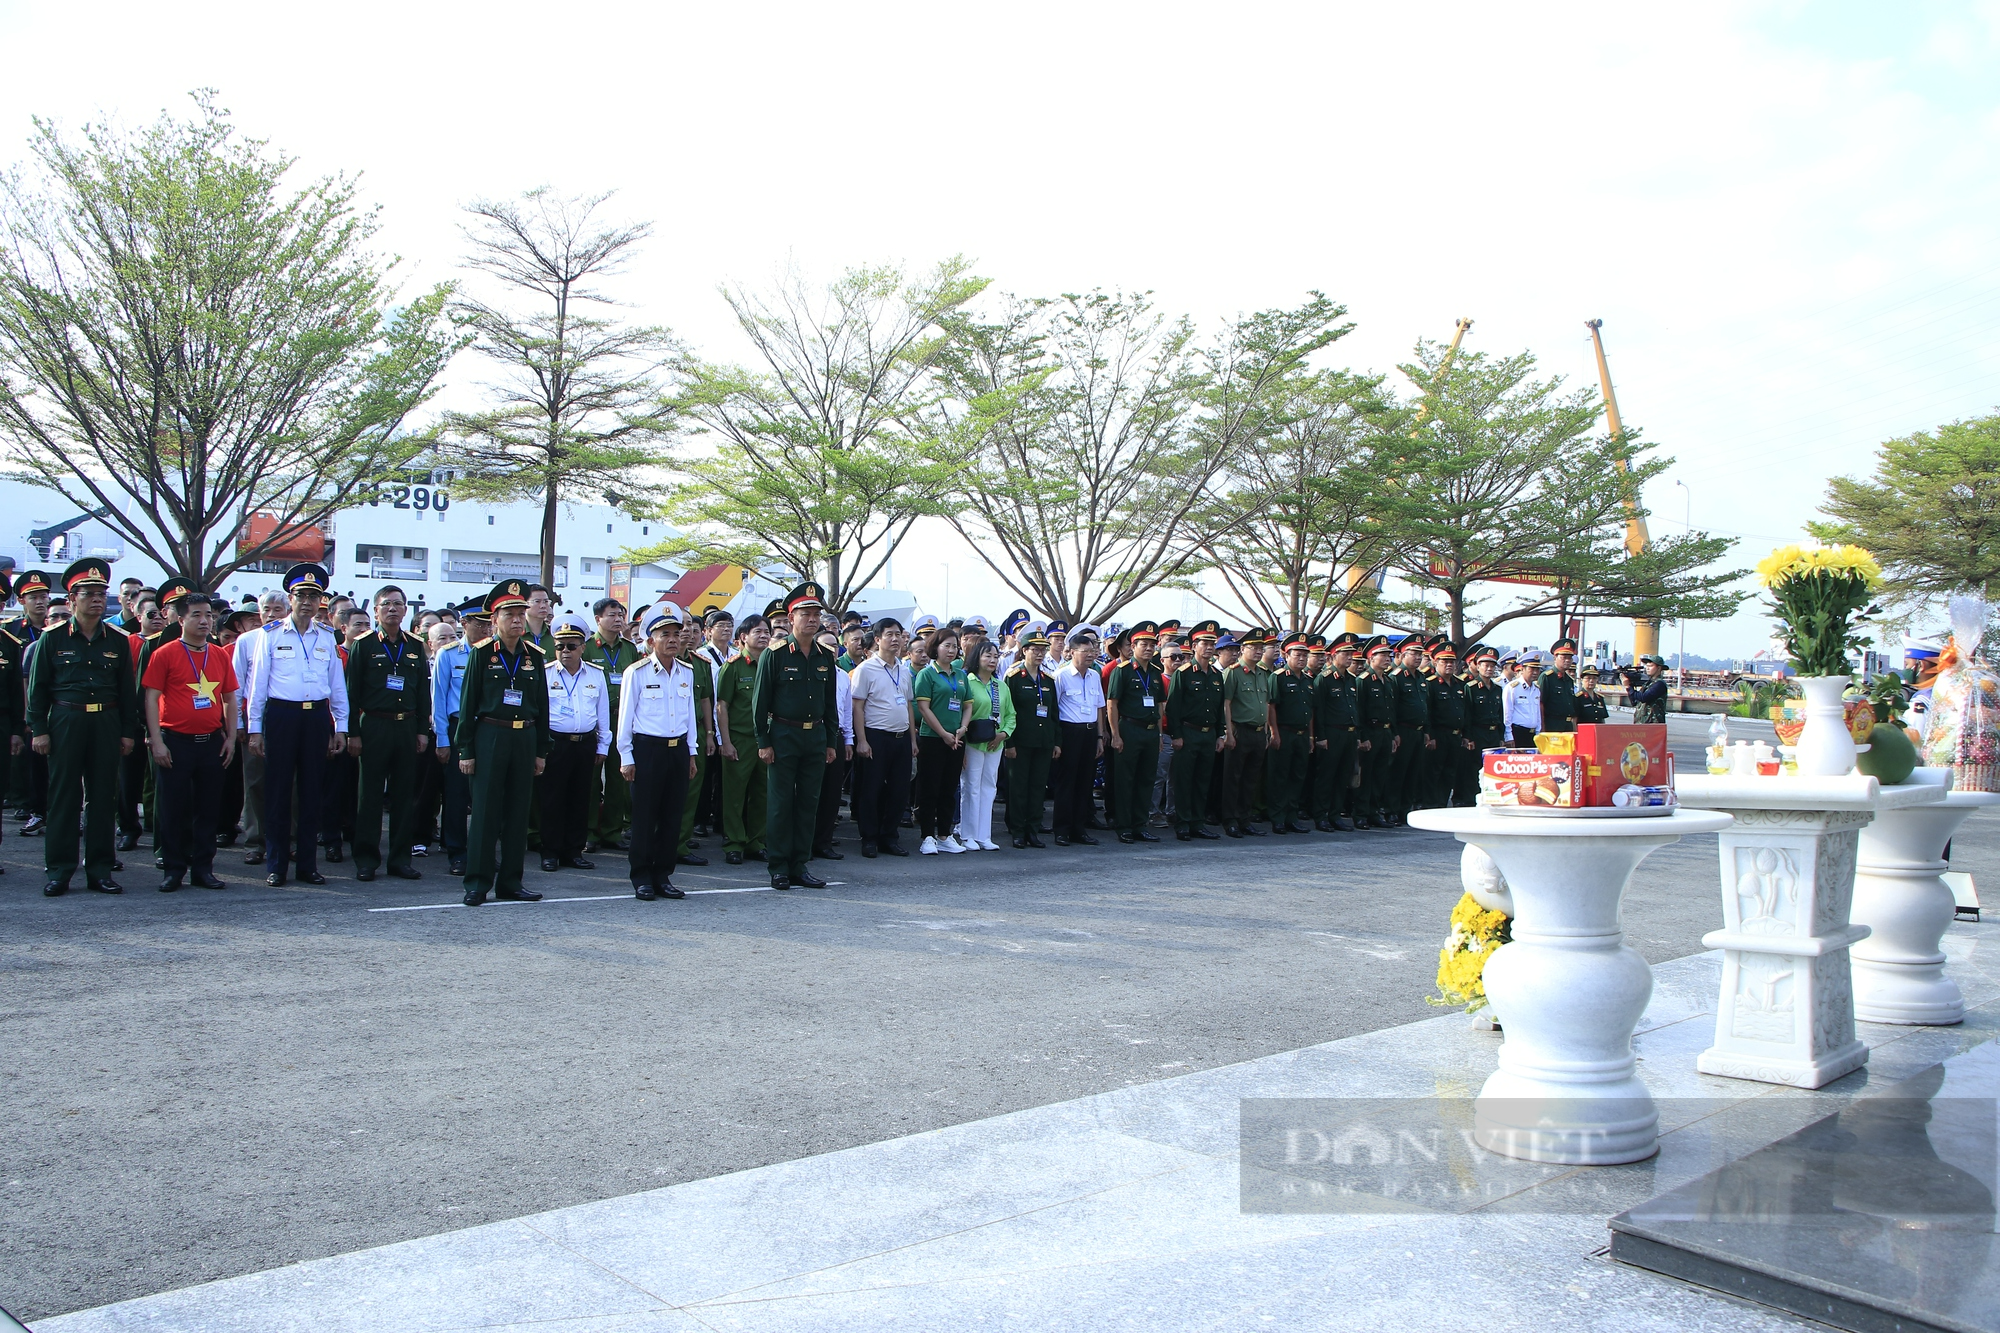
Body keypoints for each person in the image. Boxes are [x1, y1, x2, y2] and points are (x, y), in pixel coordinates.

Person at [27, 559, 139, 895]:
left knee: (104, 796)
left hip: (105, 720)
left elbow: (125, 690)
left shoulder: (117, 640)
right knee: (64, 796)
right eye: (88, 593)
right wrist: (39, 730)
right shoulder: (53, 638)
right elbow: (38, 689)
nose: (96, 599)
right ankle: (60, 870)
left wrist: (127, 732)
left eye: (101, 593)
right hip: (65, 719)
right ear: (72, 598)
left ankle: (100, 870)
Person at [243, 564, 349, 887]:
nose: (306, 602)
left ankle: (307, 865)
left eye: (313, 596)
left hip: (316, 717)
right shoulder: (271, 634)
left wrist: (340, 726)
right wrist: (255, 729)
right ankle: (276, 864)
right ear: (291, 599)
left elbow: (337, 684)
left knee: (311, 793)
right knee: (277, 792)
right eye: (301, 595)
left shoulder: (327, 636)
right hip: (281, 717)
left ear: (321, 602)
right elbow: (257, 685)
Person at [455, 580, 551, 906]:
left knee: (518, 812)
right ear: (494, 619)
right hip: (491, 736)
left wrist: (541, 751)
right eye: (509, 614)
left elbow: (542, 705)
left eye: (521, 613)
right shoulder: (482, 654)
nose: (516, 620)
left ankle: (511, 881)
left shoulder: (534, 656)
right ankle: (478, 882)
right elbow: (467, 705)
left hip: (524, 736)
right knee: (485, 813)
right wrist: (466, 749)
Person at [143, 586, 237, 891]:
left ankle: (203, 869)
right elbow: (151, 697)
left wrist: (231, 737)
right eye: (196, 615)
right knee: (173, 809)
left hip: (210, 742)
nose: (204, 621)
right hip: (175, 741)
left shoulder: (220, 655)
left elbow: (230, 699)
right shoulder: (165, 653)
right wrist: (157, 741)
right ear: (180, 620)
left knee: (208, 809)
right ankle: (173, 869)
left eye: (209, 615)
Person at [751, 582, 840, 890]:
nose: (812, 619)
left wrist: (831, 741)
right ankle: (778, 866)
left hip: (814, 736)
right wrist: (763, 741)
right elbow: (760, 702)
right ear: (791, 619)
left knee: (808, 803)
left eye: (816, 614)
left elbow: (830, 703)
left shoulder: (825, 655)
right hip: (783, 735)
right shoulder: (774, 654)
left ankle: (799, 864)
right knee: (780, 803)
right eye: (805, 613)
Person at [346, 585, 431, 882]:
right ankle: (367, 859)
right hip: (374, 725)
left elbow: (422, 692)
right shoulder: (364, 644)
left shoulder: (414, 645)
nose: (392, 609)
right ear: (376, 610)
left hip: (406, 725)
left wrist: (422, 731)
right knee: (369, 796)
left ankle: (400, 859)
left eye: (398, 604)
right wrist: (352, 734)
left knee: (404, 796)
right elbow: (351, 694)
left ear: (407, 610)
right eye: (386, 604)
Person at [614, 604, 699, 899]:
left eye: (677, 633)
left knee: (672, 816)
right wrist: (626, 757)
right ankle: (642, 877)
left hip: (677, 751)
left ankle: (663, 875)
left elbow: (689, 716)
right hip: (647, 749)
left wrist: (691, 753)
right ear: (651, 640)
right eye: (666, 634)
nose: (674, 639)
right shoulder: (635, 673)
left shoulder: (687, 671)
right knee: (645, 816)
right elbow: (625, 718)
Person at [539, 612, 611, 872]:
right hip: (556, 743)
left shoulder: (595, 674)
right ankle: (550, 851)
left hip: (585, 744)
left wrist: (603, 746)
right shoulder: (545, 674)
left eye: (571, 646)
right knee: (552, 799)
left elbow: (603, 714)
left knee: (581, 798)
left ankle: (574, 851)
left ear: (583, 647)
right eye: (560, 646)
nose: (565, 651)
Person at [430, 602, 486, 877]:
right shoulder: (449, 654)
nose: (486, 628)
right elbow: (438, 699)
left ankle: (482, 850)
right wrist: (441, 739)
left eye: (489, 622)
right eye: (480, 623)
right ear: (464, 624)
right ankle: (457, 852)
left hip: (487, 728)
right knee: (456, 793)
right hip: (456, 727)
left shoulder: (494, 653)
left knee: (485, 794)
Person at [849, 618, 911, 859]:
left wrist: (912, 740)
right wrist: (861, 740)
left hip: (901, 737)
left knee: (899, 790)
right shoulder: (866, 669)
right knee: (871, 789)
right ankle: (870, 838)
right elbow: (857, 707)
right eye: (889, 634)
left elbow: (907, 704)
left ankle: (889, 836)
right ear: (877, 639)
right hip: (876, 736)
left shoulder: (903, 670)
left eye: (898, 634)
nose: (895, 639)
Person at [583, 597, 639, 852]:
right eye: (612, 615)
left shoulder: (629, 649)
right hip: (594, 721)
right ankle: (589, 832)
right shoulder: (587, 647)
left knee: (620, 777)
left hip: (622, 718)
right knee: (592, 778)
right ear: (598, 619)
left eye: (621, 615)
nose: (618, 620)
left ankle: (612, 831)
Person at [717, 616, 772, 864]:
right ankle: (734, 842)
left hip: (767, 739)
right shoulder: (733, 665)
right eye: (757, 631)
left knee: (762, 793)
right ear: (743, 637)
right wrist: (725, 742)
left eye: (766, 631)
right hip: (740, 739)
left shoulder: (772, 663)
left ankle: (756, 841)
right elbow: (722, 706)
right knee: (735, 794)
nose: (763, 635)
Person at [1105, 622, 1166, 844]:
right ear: (1133, 646)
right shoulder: (1122, 671)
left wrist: (1159, 735)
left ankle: (1140, 825)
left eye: (1152, 644)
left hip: (1150, 732)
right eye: (1144, 644)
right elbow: (1112, 704)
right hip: (1129, 729)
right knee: (1125, 780)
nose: (1149, 648)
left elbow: (1160, 706)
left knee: (1146, 779)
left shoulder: (1156, 673)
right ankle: (1124, 826)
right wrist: (1115, 735)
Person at [1164, 620, 1224, 841]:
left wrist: (1220, 734)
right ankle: (1183, 823)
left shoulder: (1217, 675)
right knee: (1184, 780)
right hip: (1188, 733)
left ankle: (1198, 822)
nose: (1208, 647)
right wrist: (1176, 735)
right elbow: (1173, 708)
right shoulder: (1184, 673)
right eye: (1203, 643)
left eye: (1211, 643)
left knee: (1202, 780)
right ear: (1193, 645)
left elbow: (1219, 709)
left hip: (1208, 734)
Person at [913, 629, 971, 854]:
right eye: (946, 645)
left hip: (957, 739)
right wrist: (943, 734)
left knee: (949, 787)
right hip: (933, 738)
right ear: (935, 647)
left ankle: (945, 835)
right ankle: (927, 835)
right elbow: (923, 708)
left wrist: (962, 729)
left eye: (954, 646)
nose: (951, 650)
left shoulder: (960, 675)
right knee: (930, 787)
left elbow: (967, 705)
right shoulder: (927, 674)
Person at [1002, 629, 1059, 848]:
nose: (1039, 654)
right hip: (1021, 742)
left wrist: (1056, 741)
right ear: (1024, 650)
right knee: (1018, 787)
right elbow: (1008, 712)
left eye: (1042, 650)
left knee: (1037, 787)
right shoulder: (1014, 677)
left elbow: (1054, 714)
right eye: (1035, 649)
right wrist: (1010, 743)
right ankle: (1017, 830)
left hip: (1043, 741)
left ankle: (1032, 829)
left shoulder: (1048, 679)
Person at [954, 640, 1011, 851]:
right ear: (977, 658)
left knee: (989, 787)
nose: (992, 660)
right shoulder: (967, 682)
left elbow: (1011, 715)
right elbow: (961, 712)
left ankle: (984, 834)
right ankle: (967, 834)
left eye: (995, 656)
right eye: (988, 655)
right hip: (973, 743)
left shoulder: (1001, 685)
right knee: (971, 787)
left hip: (995, 744)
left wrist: (1003, 734)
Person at [1051, 629, 1106, 846]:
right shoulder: (1061, 676)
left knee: (1085, 782)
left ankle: (1079, 829)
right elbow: (1054, 710)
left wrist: (1100, 737)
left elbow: (1099, 707)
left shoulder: (1094, 675)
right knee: (1067, 782)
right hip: (1069, 731)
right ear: (1072, 652)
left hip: (1090, 732)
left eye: (1093, 651)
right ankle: (1062, 830)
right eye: (1085, 651)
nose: (1091, 655)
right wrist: (1057, 740)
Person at [12, 569, 53, 838]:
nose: (40, 602)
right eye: (33, 597)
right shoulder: (12, 631)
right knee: (28, 763)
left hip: (56, 709)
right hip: (22, 706)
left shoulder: (61, 630)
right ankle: (30, 806)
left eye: (44, 596)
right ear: (22, 601)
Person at [1221, 628, 1272, 837]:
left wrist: (1267, 730)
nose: (1259, 652)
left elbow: (1266, 703)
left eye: (1261, 648)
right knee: (1233, 778)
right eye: (1254, 647)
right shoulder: (1233, 672)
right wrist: (1229, 733)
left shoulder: (1263, 673)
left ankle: (1245, 818)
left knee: (1251, 779)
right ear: (1243, 649)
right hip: (1239, 730)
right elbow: (1226, 704)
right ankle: (1230, 820)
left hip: (1259, 732)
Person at [1264, 633, 1316, 833]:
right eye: (1297, 655)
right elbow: (1272, 707)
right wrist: (1274, 733)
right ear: (1286, 656)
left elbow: (1310, 710)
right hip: (1284, 732)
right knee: (1280, 776)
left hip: (1302, 734)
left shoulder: (1308, 680)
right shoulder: (1278, 677)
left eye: (1304, 655)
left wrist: (1311, 736)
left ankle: (1291, 816)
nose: (1301, 659)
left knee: (1297, 775)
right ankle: (1277, 817)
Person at [811, 624, 855, 861]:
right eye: (826, 644)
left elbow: (847, 711)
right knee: (809, 792)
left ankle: (824, 842)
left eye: (835, 644)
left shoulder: (842, 676)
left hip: (835, 735)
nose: (832, 648)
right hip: (813, 734)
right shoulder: (810, 670)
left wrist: (848, 740)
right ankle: (804, 842)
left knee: (831, 792)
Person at [1312, 632, 1362, 831]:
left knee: (1343, 776)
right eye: (1345, 653)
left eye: (1351, 653)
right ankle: (1320, 815)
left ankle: (1335, 814)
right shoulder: (1324, 679)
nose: (1350, 657)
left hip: (1349, 733)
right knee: (1326, 776)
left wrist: (1356, 736)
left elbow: (1354, 709)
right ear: (1333, 656)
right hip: (1332, 733)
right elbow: (1319, 711)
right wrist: (1321, 736)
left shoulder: (1350, 679)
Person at [1426, 643, 1477, 807]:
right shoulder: (1430, 684)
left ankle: (1442, 803)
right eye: (1444, 661)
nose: (1449, 665)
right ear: (1435, 662)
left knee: (1450, 772)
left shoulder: (1459, 684)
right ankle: (1431, 803)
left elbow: (1466, 712)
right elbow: (1427, 712)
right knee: (1434, 771)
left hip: (1455, 735)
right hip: (1438, 734)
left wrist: (1466, 735)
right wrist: (1430, 735)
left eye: (1452, 661)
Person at [1357, 635, 1398, 828]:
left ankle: (1374, 812)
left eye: (1388, 655)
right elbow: (1359, 711)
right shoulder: (1364, 681)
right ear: (1371, 659)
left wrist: (1394, 734)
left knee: (1380, 775)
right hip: (1370, 732)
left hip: (1385, 732)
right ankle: (1361, 813)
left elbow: (1391, 709)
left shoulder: (1388, 681)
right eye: (1382, 655)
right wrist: (1363, 737)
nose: (1387, 658)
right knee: (1366, 775)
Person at [1466, 644, 1508, 762]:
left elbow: (1500, 714)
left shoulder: (1497, 689)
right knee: (1476, 767)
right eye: (1486, 666)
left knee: (1493, 766)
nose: (1489, 669)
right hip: (1478, 733)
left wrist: (1501, 736)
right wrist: (1469, 738)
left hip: (1494, 734)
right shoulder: (1471, 688)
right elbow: (1468, 714)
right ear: (1478, 666)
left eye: (1492, 666)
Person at [1504, 651, 1545, 747]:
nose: (1535, 672)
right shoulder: (1512, 687)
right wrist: (1508, 736)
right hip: (1518, 732)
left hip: (1533, 734)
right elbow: (1507, 714)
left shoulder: (1536, 689)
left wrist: (1538, 733)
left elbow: (1537, 713)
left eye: (1537, 669)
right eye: (1532, 669)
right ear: (1523, 669)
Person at [1541, 636, 1580, 733]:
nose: (1567, 660)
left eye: (1570, 658)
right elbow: (1541, 704)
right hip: (1553, 724)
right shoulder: (1547, 677)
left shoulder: (1569, 680)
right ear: (1555, 657)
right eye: (1564, 657)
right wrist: (1542, 727)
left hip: (1567, 725)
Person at [1630, 655, 1669, 724]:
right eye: (1647, 666)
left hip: (1653, 724)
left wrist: (1628, 686)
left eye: (1651, 666)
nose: (1647, 668)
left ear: (1659, 668)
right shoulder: (1647, 684)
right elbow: (1635, 701)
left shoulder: (1660, 684)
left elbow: (1644, 697)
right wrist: (1629, 687)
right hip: (1641, 723)